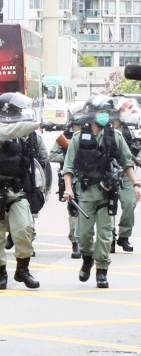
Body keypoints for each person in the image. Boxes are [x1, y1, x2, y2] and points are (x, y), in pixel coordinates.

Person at [61, 95, 140, 289]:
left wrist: (136, 184)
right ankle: (87, 259)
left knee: (105, 234)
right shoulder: (79, 138)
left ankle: (102, 271)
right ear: (91, 114)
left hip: (107, 193)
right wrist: (69, 190)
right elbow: (68, 167)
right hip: (85, 193)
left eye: (107, 112)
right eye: (101, 112)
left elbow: (127, 162)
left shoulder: (115, 136)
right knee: (84, 235)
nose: (105, 116)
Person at [0, 92, 46, 291]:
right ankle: (0, 275)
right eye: (17, 110)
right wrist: (35, 124)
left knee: (25, 229)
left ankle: (23, 270)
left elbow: (40, 161)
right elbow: (14, 130)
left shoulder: (25, 136)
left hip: (17, 190)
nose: (21, 113)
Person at [48, 120, 83, 259]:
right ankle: (75, 242)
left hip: (88, 180)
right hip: (71, 180)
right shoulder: (65, 137)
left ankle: (85, 241)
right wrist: (69, 157)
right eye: (76, 125)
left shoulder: (91, 136)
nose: (78, 127)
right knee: (74, 212)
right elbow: (51, 156)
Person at [111, 99, 141, 252]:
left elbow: (136, 149)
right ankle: (109, 237)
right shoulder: (104, 131)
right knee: (108, 207)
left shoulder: (130, 131)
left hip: (126, 174)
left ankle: (124, 236)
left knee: (130, 203)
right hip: (108, 175)